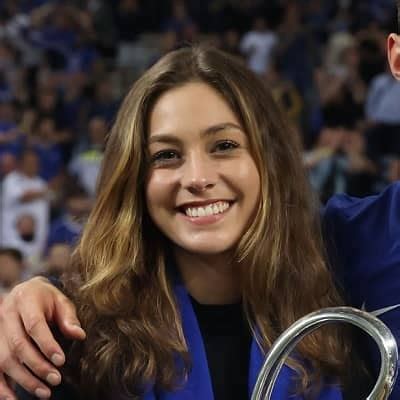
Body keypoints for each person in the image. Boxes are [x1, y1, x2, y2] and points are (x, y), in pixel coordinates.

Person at [0, 45, 351, 400]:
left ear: (269, 161)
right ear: (134, 176)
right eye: (166, 155)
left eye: (224, 145)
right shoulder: (73, 341)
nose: (197, 177)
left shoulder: (344, 301)